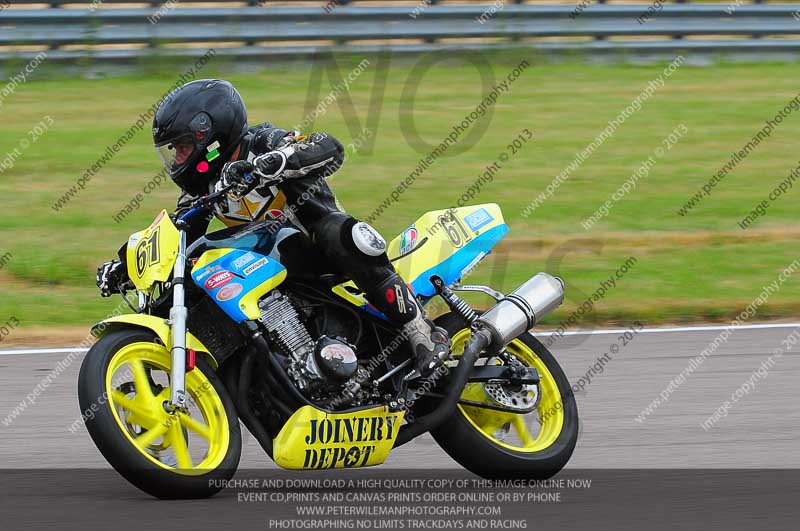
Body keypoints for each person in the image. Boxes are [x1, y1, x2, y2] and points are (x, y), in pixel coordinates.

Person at [96, 79, 449, 377]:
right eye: (175, 151)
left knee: (337, 232)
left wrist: (274, 162)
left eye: (184, 147)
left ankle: (419, 331)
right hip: (278, 270)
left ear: (211, 134)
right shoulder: (203, 191)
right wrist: (126, 264)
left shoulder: (262, 142)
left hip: (320, 250)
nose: (178, 159)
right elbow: (178, 232)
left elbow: (329, 147)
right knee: (194, 266)